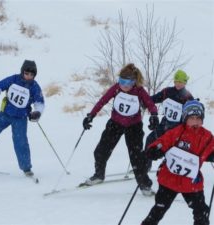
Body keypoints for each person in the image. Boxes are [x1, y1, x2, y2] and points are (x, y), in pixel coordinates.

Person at [82, 63, 159, 196]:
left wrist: (154, 116)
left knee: (137, 158)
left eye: (127, 82)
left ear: (134, 82)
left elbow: (151, 104)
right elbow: (103, 100)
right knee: (101, 151)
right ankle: (99, 175)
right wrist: (91, 115)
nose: (123, 85)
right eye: (121, 81)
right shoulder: (117, 88)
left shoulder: (139, 91)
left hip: (133, 127)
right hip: (115, 124)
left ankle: (145, 186)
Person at [141, 100, 214, 225]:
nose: (195, 121)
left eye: (198, 118)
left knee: (201, 211)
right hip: (169, 179)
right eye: (191, 118)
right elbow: (162, 142)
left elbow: (210, 149)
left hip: (191, 182)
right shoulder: (177, 131)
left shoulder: (207, 136)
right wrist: (154, 150)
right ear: (185, 118)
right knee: (159, 209)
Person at [145, 70, 194, 153]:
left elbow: (192, 114)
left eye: (181, 82)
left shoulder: (188, 96)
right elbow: (153, 99)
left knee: (171, 150)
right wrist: (143, 100)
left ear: (185, 82)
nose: (178, 84)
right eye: (176, 81)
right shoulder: (167, 91)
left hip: (178, 129)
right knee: (150, 140)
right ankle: (144, 164)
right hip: (164, 125)